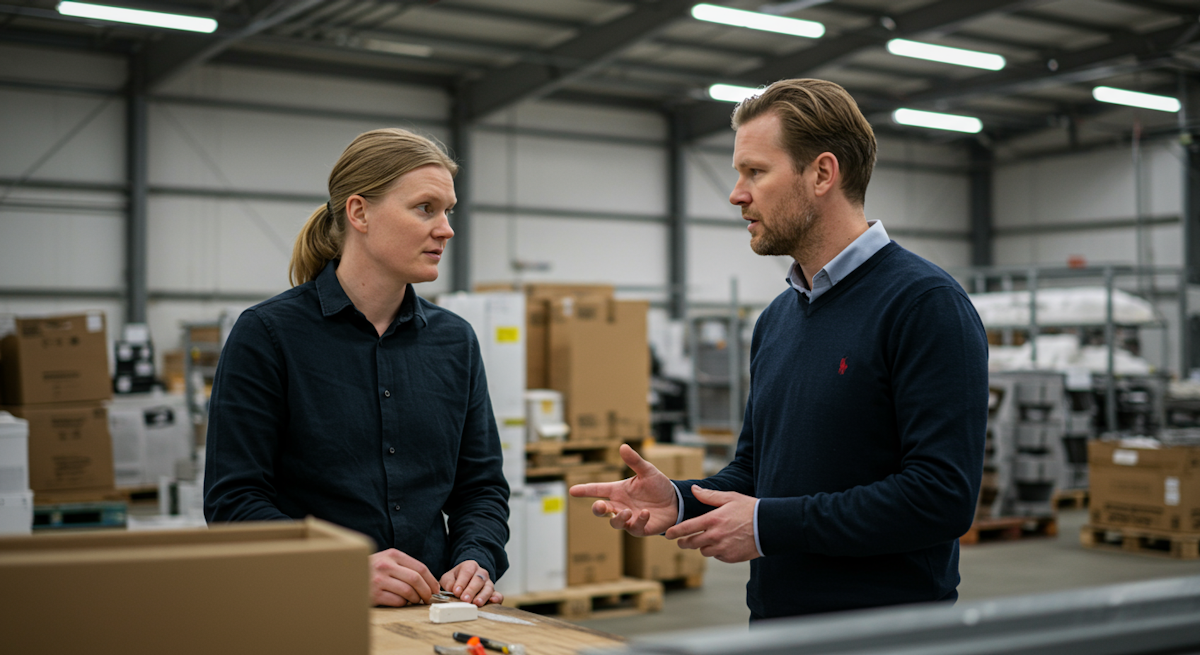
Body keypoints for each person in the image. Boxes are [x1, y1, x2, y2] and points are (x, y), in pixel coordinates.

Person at [570, 79, 987, 620]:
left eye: (755, 172)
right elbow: (754, 472)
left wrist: (768, 526)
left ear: (822, 173)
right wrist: (677, 498)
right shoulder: (778, 318)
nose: (736, 193)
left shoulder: (924, 305)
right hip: (775, 623)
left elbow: (940, 496)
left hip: (886, 631)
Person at [204, 128, 509, 609]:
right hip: (306, 612)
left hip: (429, 616)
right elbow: (234, 501)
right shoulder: (268, 335)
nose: (446, 228)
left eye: (448, 211)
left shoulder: (455, 342)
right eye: (425, 208)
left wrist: (477, 557)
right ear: (359, 212)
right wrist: (341, 567)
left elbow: (481, 489)